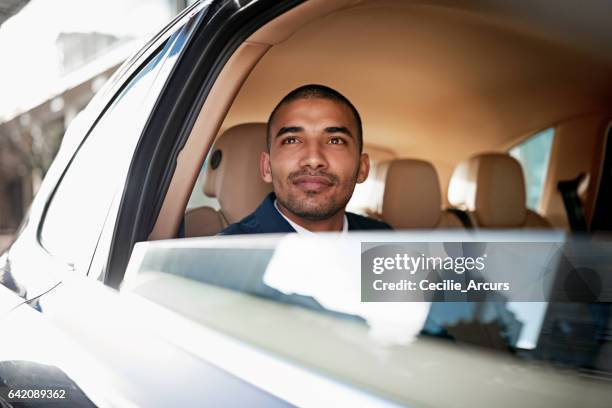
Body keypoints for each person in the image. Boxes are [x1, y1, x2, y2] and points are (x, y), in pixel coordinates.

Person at [220, 84, 391, 235]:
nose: (314, 159)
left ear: (362, 168)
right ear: (267, 167)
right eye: (291, 140)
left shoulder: (385, 242)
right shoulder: (223, 259)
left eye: (335, 140)